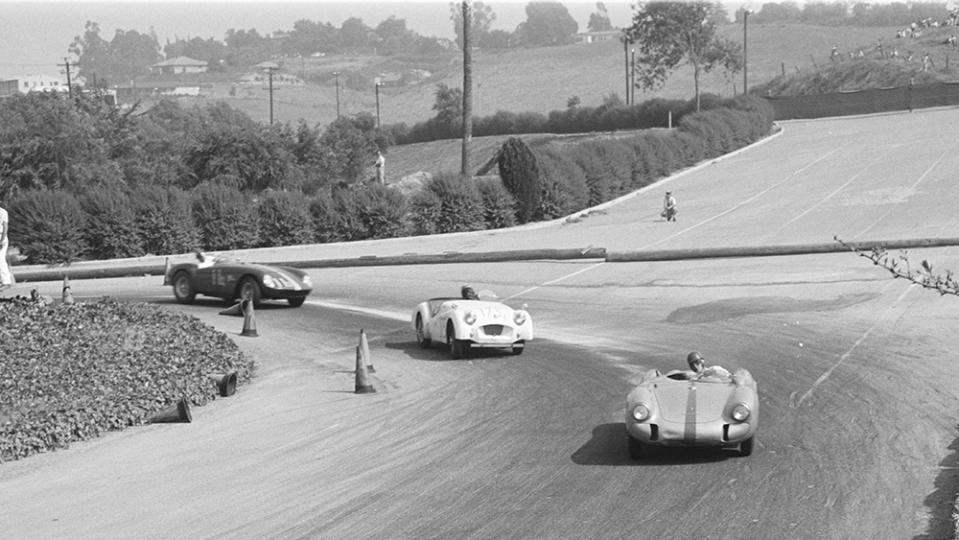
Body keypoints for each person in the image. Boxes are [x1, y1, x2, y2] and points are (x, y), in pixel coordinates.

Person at [0, 203, 14, 290]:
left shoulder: (2, 212)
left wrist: (2, 239)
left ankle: (6, 282)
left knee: (0, 259)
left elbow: (5, 226)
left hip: (1, 235)